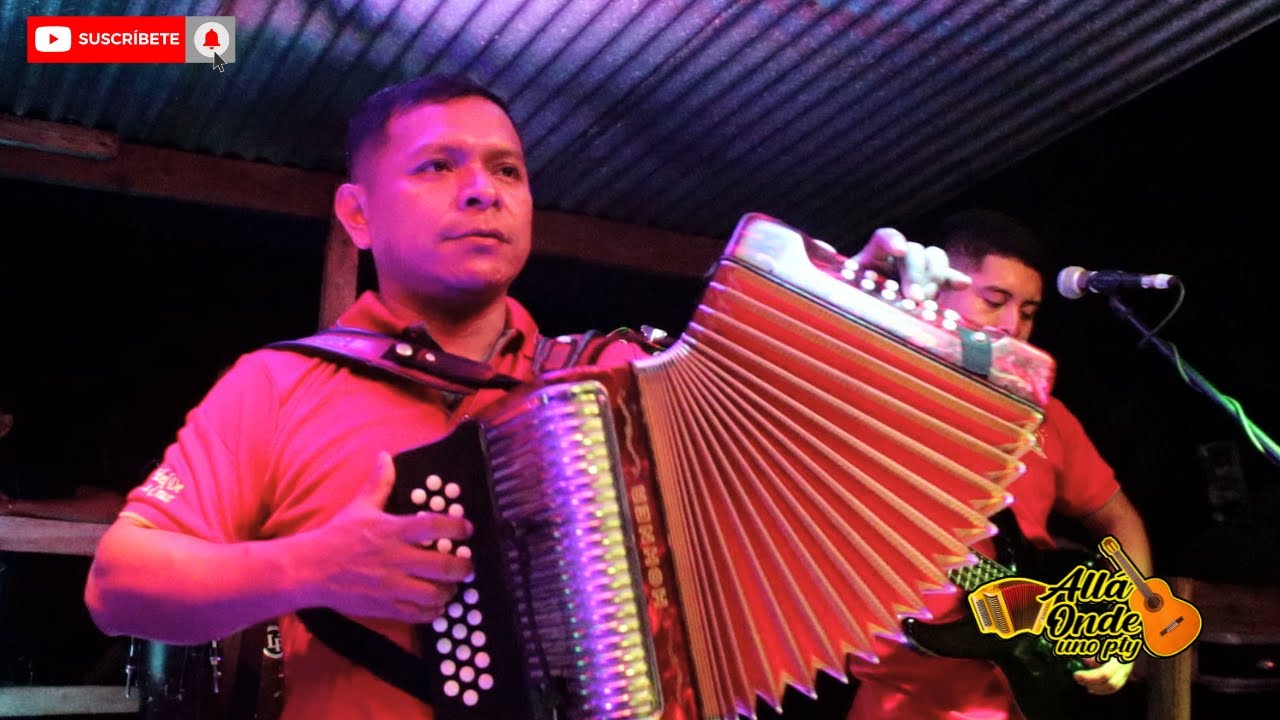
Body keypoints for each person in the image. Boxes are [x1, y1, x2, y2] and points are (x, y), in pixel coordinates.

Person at [84, 73, 969, 719]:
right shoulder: (282, 382)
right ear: (357, 215)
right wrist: (310, 566)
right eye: (438, 167)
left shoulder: (617, 379)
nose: (484, 189)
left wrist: (881, 324)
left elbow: (820, 492)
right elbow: (119, 586)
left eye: (508, 171)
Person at [845, 209, 1153, 719]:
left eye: (1029, 311)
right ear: (939, 287)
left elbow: (1118, 516)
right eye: (995, 301)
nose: (1013, 325)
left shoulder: (1046, 416)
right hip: (900, 701)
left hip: (1021, 695)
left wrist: (1127, 618)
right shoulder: (884, 390)